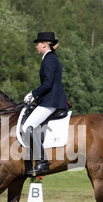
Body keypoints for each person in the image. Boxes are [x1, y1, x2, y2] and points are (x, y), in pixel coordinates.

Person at [23, 32, 68, 176]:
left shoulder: (49, 59)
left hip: (51, 101)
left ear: (44, 44)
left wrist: (33, 94)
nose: (36, 46)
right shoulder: (50, 58)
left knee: (27, 127)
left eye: (38, 44)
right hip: (49, 99)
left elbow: (48, 84)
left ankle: (42, 161)